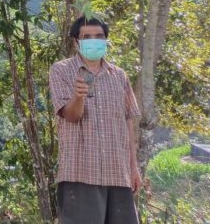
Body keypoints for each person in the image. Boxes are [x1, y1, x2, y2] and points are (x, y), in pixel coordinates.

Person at [50, 15, 142, 224]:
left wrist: (133, 167)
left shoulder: (119, 75)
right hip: (80, 174)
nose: (94, 41)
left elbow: (128, 122)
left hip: (118, 172)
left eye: (99, 36)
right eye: (87, 37)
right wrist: (78, 97)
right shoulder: (61, 70)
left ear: (106, 40)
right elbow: (71, 116)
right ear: (76, 42)